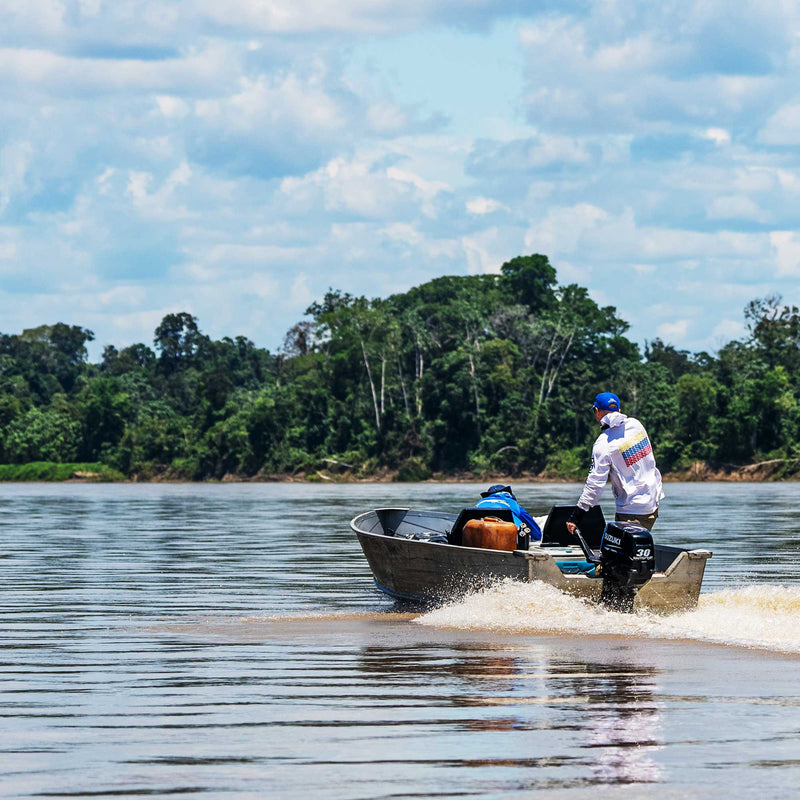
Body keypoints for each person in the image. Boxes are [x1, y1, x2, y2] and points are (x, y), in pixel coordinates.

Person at [566, 392, 663, 536]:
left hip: (631, 511)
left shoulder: (603, 444)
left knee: (622, 556)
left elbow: (594, 485)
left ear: (597, 412)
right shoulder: (636, 425)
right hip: (652, 504)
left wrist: (576, 516)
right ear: (619, 410)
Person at [476, 484, 543, 541]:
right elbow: (535, 532)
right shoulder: (513, 503)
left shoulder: (479, 504)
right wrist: (536, 538)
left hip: (478, 538)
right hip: (510, 541)